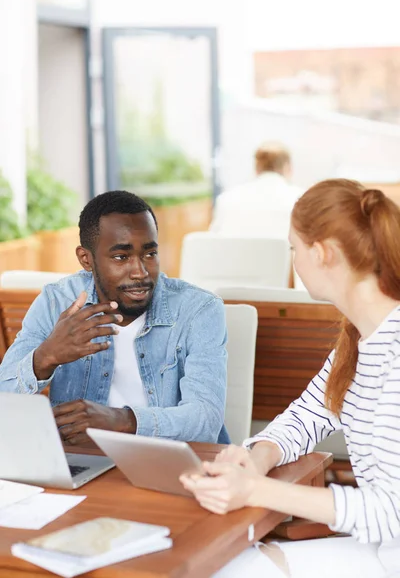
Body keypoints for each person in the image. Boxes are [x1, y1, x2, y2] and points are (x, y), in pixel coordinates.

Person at [181, 179, 400, 577]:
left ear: (321, 254)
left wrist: (254, 490)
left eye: (293, 248)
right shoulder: (358, 337)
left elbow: (391, 513)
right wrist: (257, 457)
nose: (293, 261)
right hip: (381, 552)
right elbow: (308, 415)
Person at [0, 191, 229, 446]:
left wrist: (122, 420)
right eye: (121, 257)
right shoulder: (56, 302)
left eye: (149, 254)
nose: (140, 272)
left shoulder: (198, 310)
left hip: (172, 459)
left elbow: (206, 420)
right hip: (85, 458)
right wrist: (45, 357)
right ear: (86, 259)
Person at [210, 141, 303, 238]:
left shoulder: (226, 200)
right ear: (287, 168)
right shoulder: (301, 200)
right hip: (281, 253)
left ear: (257, 168)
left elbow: (214, 239)